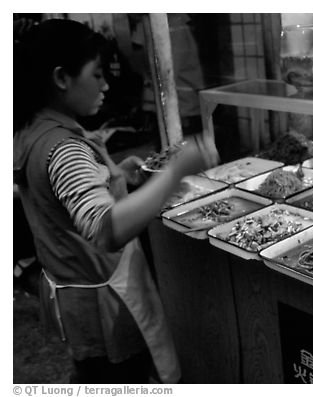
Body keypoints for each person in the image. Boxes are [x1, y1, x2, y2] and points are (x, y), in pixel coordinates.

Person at [13, 18, 216, 384]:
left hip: (75, 294)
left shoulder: (35, 129)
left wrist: (114, 175)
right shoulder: (63, 149)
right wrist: (174, 174)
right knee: (113, 377)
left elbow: (62, 198)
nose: (106, 85)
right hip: (101, 305)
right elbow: (106, 229)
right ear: (61, 78)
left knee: (94, 375)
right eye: (96, 74)